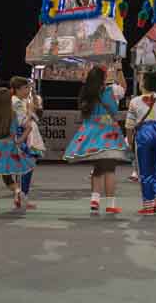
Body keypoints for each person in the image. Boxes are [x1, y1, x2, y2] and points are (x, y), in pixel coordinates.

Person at [62, 67, 130, 215]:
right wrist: (119, 70)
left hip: (91, 131)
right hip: (108, 132)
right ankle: (110, 204)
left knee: (98, 168)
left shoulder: (86, 92)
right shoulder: (112, 90)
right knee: (110, 168)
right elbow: (124, 87)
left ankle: (95, 200)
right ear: (104, 77)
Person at [126, 72, 156, 215]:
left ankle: (147, 205)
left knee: (144, 171)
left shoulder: (135, 101)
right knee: (155, 169)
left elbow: (129, 125)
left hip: (144, 133)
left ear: (143, 84)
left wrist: (130, 142)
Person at [11, 77, 44, 210]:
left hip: (29, 134)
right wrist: (30, 111)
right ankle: (21, 195)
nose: (28, 90)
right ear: (17, 89)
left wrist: (33, 107)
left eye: (28, 87)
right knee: (25, 167)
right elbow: (22, 122)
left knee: (27, 167)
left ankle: (21, 196)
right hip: (23, 136)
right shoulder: (16, 102)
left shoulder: (23, 101)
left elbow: (36, 117)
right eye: (25, 88)